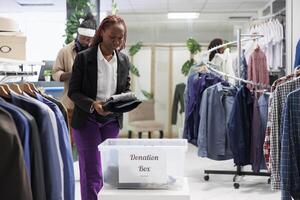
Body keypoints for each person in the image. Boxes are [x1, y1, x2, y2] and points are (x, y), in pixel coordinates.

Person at [68, 15, 130, 200]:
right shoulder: (83, 58)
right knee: (92, 171)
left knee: (108, 171)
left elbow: (125, 88)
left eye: (121, 38)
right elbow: (74, 92)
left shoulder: (124, 61)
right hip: (87, 119)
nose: (117, 42)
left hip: (111, 120)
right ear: (102, 32)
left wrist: (123, 100)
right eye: (113, 37)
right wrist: (93, 104)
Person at [52, 13, 97, 145]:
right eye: (83, 38)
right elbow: (55, 73)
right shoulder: (65, 51)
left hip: (91, 104)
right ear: (77, 35)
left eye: (89, 39)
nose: (86, 42)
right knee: (69, 141)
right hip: (70, 104)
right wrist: (73, 74)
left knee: (88, 142)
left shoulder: (95, 52)